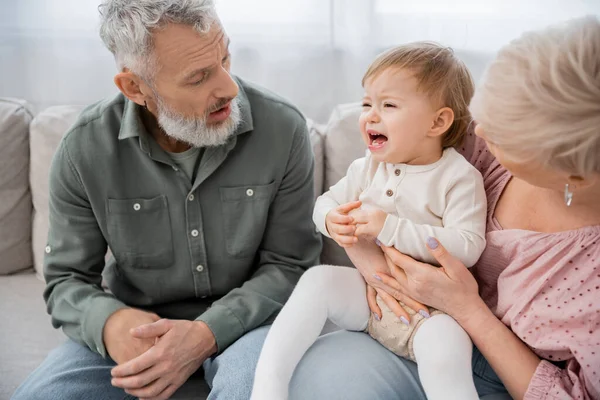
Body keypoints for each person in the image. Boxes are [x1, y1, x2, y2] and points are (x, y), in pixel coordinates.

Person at [11, 1, 321, 399]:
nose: (229, 87)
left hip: (250, 325)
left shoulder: (283, 128)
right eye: (198, 77)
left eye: (225, 57)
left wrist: (207, 333)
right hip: (140, 329)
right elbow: (67, 280)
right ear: (135, 88)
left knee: (253, 389)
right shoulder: (83, 149)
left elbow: (291, 264)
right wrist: (112, 324)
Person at [281, 16, 600, 400]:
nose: (479, 131)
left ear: (575, 176)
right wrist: (368, 259)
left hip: (496, 374)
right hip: (400, 321)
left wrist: (467, 309)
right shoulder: (471, 140)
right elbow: (371, 195)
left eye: (503, 136)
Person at [252, 42, 487, 400]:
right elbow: (326, 202)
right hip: (370, 300)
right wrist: (331, 219)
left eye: (388, 105)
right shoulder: (367, 168)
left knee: (447, 349)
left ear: (438, 122)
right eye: (367, 104)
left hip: (431, 315)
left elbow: (467, 246)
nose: (370, 116)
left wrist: (389, 227)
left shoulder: (457, 177)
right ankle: (268, 388)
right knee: (318, 280)